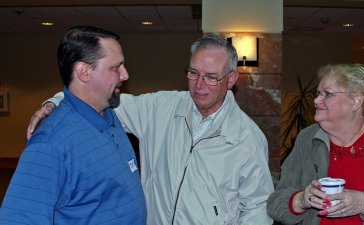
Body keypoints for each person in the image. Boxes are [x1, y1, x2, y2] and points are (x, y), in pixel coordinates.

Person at [26, 34, 275, 224]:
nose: (199, 85)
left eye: (211, 77)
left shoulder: (247, 137)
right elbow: (96, 98)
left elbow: (257, 208)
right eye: (193, 73)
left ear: (231, 80)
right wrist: (55, 102)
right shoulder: (161, 108)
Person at [0, 26, 146, 224]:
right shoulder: (50, 144)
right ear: (84, 72)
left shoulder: (110, 114)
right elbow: (18, 219)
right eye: (116, 67)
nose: (125, 74)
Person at [267, 63, 364, 225]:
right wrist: (302, 199)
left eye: (327, 94)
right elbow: (275, 203)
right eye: (318, 93)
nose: (316, 100)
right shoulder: (308, 139)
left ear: (356, 101)